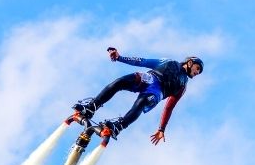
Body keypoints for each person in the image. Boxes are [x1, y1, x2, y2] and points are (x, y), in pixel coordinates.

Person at [66, 47, 204, 145]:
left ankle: (119, 126)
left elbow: (169, 108)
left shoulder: (182, 86)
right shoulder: (169, 63)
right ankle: (91, 107)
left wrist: (161, 129)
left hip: (157, 92)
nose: (198, 73)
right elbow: (142, 61)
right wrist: (119, 58)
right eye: (198, 68)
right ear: (190, 62)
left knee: (143, 101)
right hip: (150, 78)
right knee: (120, 82)